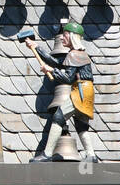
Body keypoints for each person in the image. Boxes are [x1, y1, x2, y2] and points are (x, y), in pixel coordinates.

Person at [26, 22, 100, 162]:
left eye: (65, 35)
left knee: (58, 117)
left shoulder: (75, 55)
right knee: (80, 124)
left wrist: (51, 70)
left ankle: (47, 154)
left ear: (72, 36)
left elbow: (67, 77)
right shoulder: (77, 54)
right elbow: (58, 63)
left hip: (80, 91)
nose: (62, 38)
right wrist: (37, 48)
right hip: (84, 90)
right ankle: (91, 155)